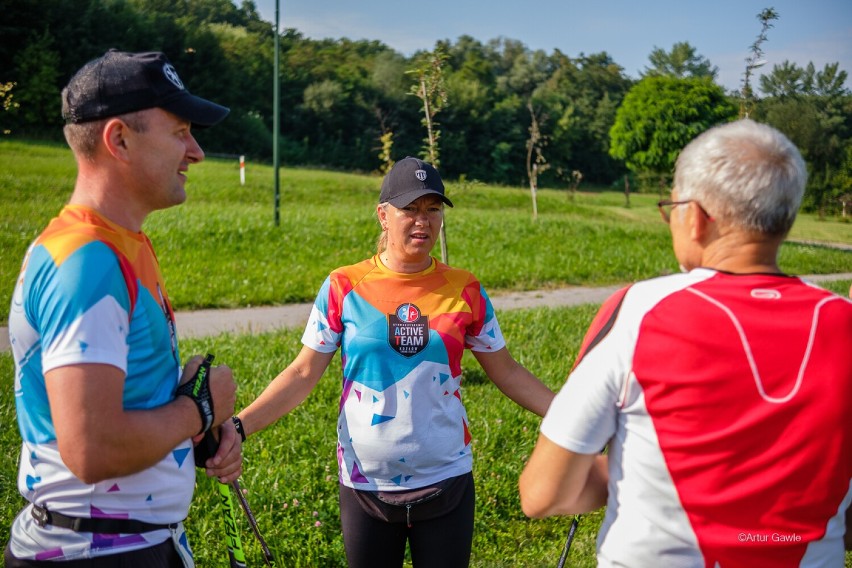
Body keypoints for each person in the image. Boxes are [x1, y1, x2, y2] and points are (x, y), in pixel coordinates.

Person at [519, 119, 852, 566]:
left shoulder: (637, 310)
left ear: (694, 218)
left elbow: (543, 494)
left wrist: (629, 473)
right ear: (785, 219)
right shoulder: (842, 318)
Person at [234, 156, 555, 567]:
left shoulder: (465, 289)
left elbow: (506, 371)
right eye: (410, 209)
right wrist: (239, 427)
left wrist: (571, 415)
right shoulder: (343, 286)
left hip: (446, 479)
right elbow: (301, 373)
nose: (423, 221)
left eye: (433, 209)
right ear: (383, 216)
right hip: (365, 483)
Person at [5, 49, 242, 567]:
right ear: (119, 140)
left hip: (125, 543)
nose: (196, 151)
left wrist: (184, 396)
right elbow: (93, 450)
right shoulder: (87, 263)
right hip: (93, 551)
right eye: (180, 131)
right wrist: (198, 409)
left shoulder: (120, 244)